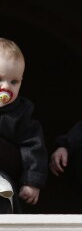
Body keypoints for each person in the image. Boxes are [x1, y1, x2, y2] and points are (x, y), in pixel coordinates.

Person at [0, 38, 48, 213]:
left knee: (4, 192)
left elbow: (33, 146)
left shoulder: (20, 114)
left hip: (2, 177)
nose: (6, 87)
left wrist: (32, 181)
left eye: (14, 82)